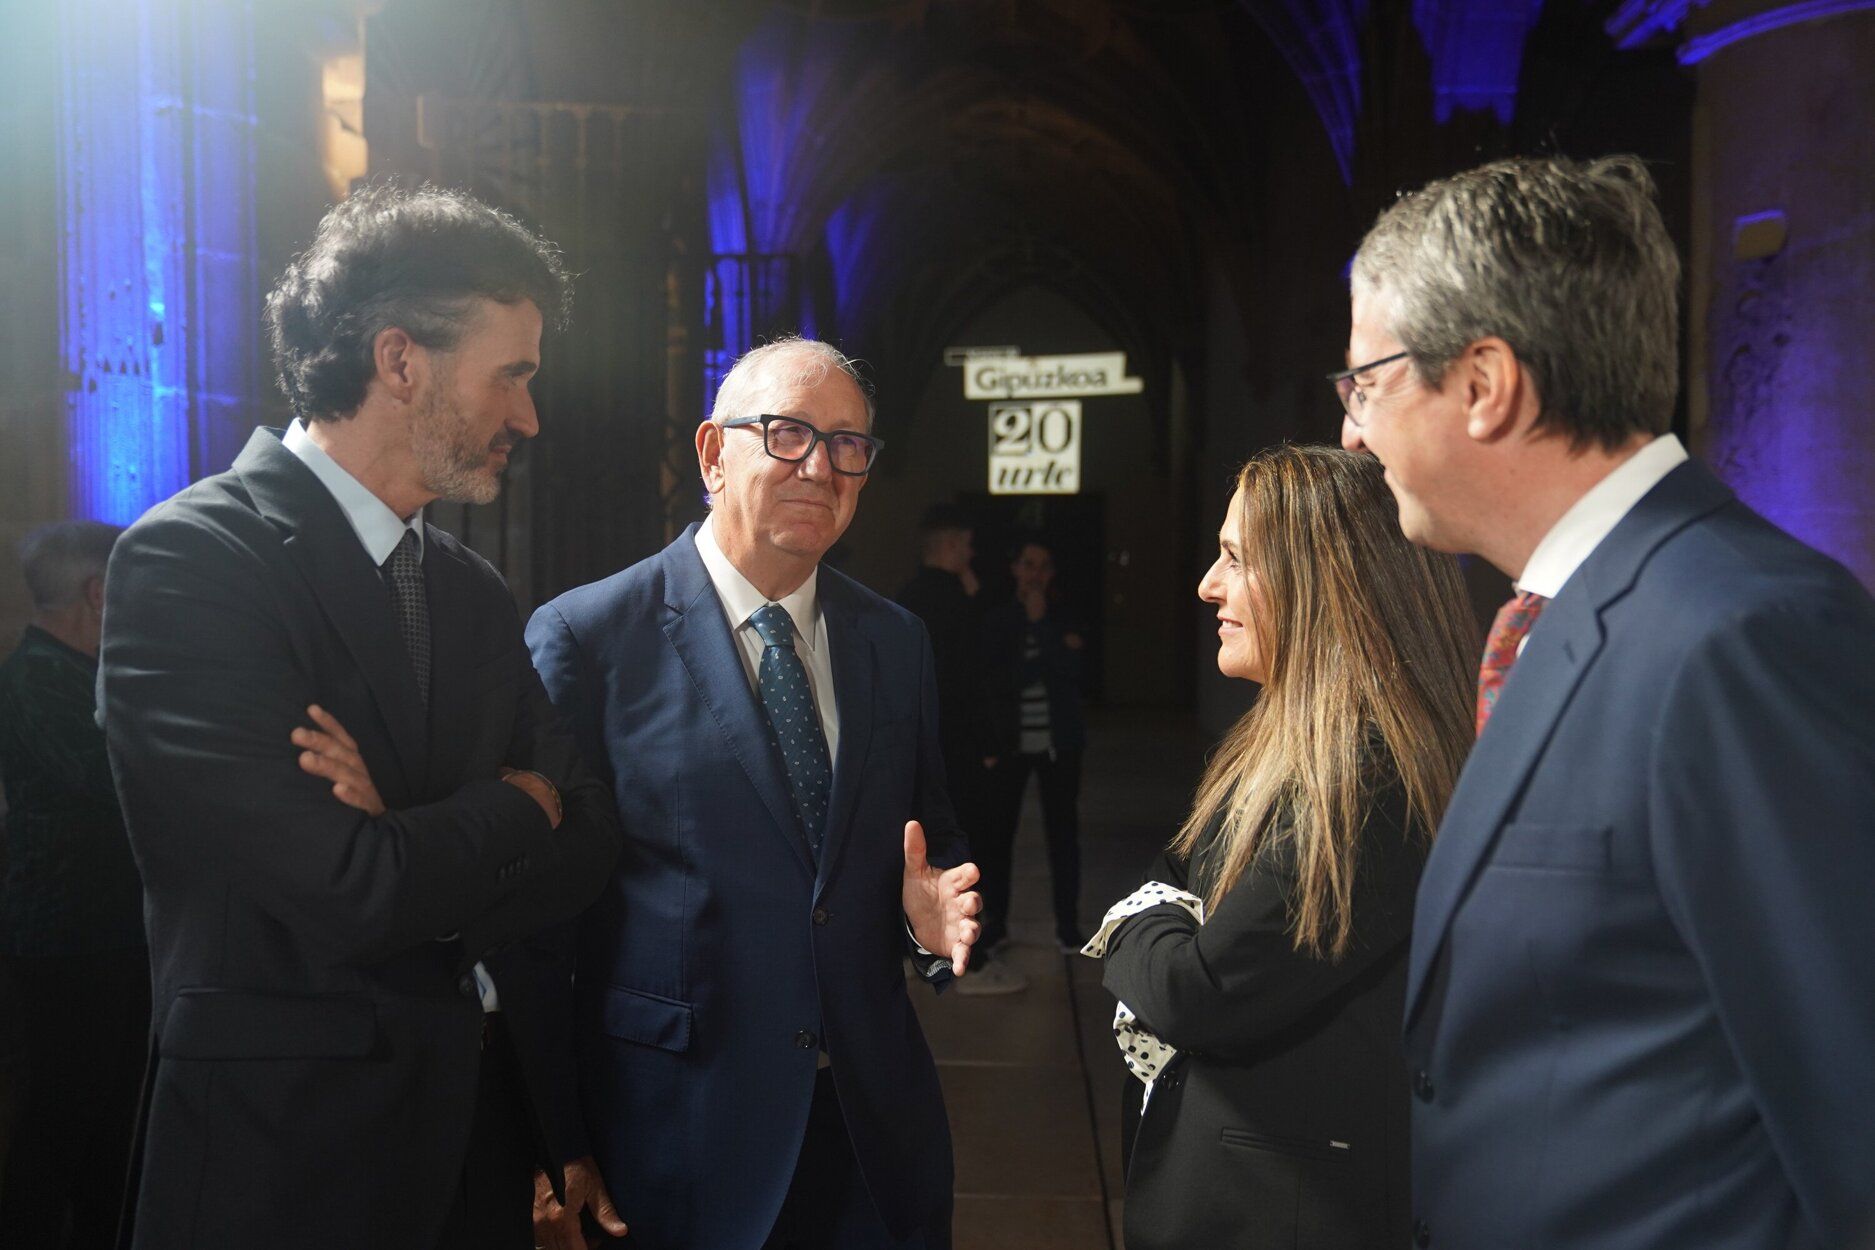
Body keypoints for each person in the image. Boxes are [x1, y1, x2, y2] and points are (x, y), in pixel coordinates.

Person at [1340, 155, 1875, 1249]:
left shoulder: (1740, 634)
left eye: (1366, 380)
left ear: (1485, 384)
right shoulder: (1562, 615)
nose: (1352, 429)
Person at [97, 183, 621, 1249]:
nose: (528, 415)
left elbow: (593, 837)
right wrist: (510, 808)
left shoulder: (471, 589)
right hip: (282, 1164)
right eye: (510, 374)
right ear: (400, 361)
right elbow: (351, 888)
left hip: (474, 1155)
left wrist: (409, 833)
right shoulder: (193, 560)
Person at [522, 336, 981, 1250]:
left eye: (848, 444)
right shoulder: (589, 638)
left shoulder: (894, 643)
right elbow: (538, 925)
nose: (820, 465)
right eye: (786, 433)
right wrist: (553, 1137)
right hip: (674, 1134)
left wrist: (923, 921)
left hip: (868, 1133)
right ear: (711, 452)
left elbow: (926, 848)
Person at [1086, 446, 1476, 1250]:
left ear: (1326, 584)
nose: (1207, 585)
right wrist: (1162, 903)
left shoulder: (1373, 780)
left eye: (1236, 558)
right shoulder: (1292, 748)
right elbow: (1176, 876)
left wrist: (1131, 919)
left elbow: (1197, 993)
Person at [0, 522, 147, 1249]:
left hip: (108, 931)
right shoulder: (34, 678)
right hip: (67, 938)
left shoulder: (77, 673)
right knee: (63, 1115)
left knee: (113, 1117)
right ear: (99, 592)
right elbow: (113, 781)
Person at [968, 537, 1086, 989]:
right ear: (1015, 569)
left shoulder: (1066, 615)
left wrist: (1042, 632)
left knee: (1064, 835)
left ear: (1051, 572)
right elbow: (1001, 680)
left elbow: (1074, 673)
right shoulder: (998, 620)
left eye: (1043, 565)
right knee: (999, 837)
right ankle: (996, 923)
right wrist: (1041, 640)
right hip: (1012, 743)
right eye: (1028, 564)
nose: (1035, 573)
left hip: (1061, 745)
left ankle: (1067, 926)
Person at [894, 506, 992, 939]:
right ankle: (965, 945)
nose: (970, 554)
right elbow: (978, 674)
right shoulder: (959, 603)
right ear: (951, 545)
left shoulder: (900, 601)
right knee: (967, 838)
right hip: (959, 741)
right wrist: (988, 743)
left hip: (912, 741)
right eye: (967, 546)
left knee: (919, 841)